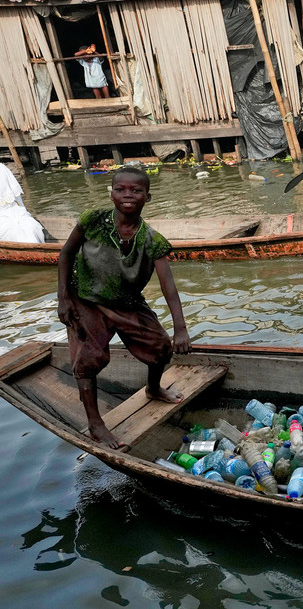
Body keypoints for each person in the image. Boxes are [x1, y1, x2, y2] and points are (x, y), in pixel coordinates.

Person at [56, 167, 190, 449]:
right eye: (121, 189)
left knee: (160, 347)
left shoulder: (151, 239)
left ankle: (153, 389)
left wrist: (180, 329)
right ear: (112, 193)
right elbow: (66, 253)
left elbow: (169, 286)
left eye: (136, 191)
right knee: (87, 359)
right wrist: (64, 297)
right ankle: (96, 425)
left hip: (127, 303)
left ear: (147, 197)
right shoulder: (92, 220)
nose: (127, 195)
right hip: (87, 300)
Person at [0, 162, 44, 243]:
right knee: (26, 227)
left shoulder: (1, 168)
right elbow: (20, 203)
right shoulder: (2, 168)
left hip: (9, 221)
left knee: (16, 229)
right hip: (19, 216)